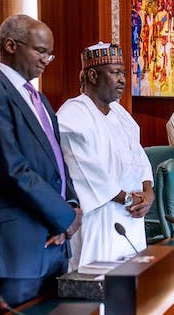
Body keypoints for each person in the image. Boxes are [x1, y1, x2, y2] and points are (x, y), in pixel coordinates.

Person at [0, 14, 82, 307]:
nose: (46, 60)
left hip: (54, 240)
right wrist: (65, 218)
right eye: (40, 51)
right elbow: (11, 169)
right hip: (18, 246)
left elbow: (58, 161)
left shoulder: (39, 99)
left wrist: (73, 204)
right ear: (11, 45)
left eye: (49, 54)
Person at [57, 42, 154, 271]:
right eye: (114, 73)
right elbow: (87, 173)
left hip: (133, 215)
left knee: (134, 287)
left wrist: (148, 192)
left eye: (123, 73)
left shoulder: (121, 114)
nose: (122, 79)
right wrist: (131, 200)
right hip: (100, 218)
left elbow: (139, 157)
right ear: (92, 75)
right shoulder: (73, 114)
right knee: (99, 290)